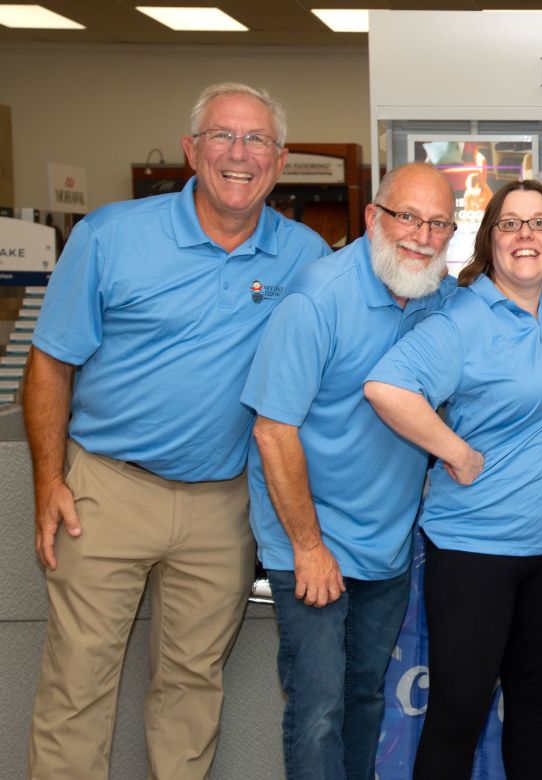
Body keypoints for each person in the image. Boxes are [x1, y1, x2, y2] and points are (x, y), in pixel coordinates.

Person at [24, 83, 329, 778]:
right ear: (192, 150)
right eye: (223, 136)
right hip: (106, 489)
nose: (239, 154)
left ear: (280, 161)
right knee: (78, 685)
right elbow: (48, 364)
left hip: (223, 504)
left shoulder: (304, 254)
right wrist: (49, 483)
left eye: (257, 141)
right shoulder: (110, 235)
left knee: (192, 687)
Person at [364, 179, 542, 779]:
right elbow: (386, 387)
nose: (526, 234)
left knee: (535, 702)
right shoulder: (464, 319)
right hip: (476, 553)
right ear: (489, 240)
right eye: (510, 223)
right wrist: (457, 452)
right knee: (458, 713)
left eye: (540, 223)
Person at [241, 162, 457, 779]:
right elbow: (272, 429)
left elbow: (530, 276)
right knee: (318, 709)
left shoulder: (436, 295)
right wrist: (308, 548)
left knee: (364, 697)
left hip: (383, 548)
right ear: (372, 217)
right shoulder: (317, 298)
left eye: (438, 223)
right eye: (407, 216)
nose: (421, 234)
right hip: (311, 542)